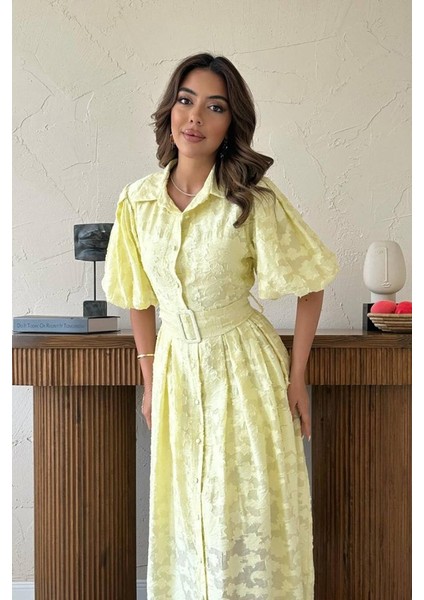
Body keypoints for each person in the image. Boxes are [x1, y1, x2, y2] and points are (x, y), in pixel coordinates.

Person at [102, 52, 339, 600]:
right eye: (186, 101)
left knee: (246, 511)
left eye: (215, 107)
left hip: (246, 369)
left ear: (232, 123)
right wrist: (150, 378)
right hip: (177, 371)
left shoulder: (251, 198)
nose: (195, 117)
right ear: (170, 109)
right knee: (187, 514)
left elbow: (311, 282)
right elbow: (138, 297)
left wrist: (297, 377)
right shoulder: (137, 202)